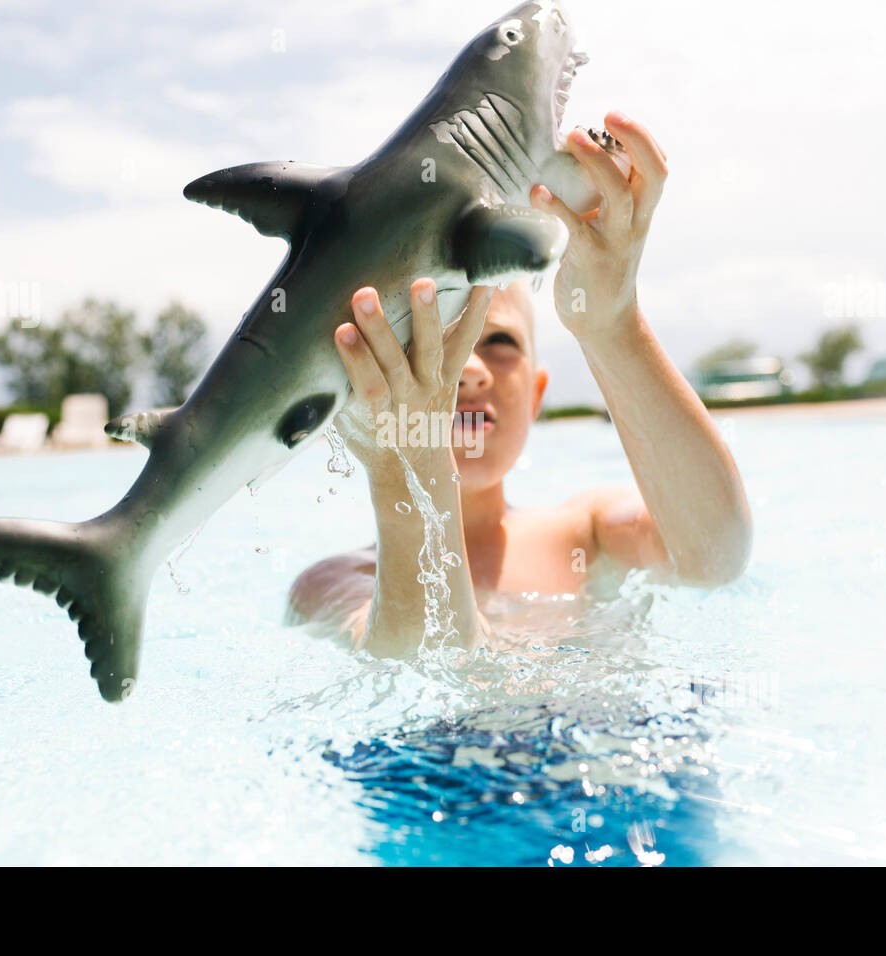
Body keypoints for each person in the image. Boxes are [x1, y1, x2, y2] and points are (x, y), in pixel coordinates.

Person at [286, 112, 752, 656]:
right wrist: (406, 467)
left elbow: (714, 558)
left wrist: (611, 323)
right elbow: (424, 659)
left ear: (535, 396)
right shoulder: (332, 584)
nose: (469, 371)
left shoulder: (588, 534)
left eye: (499, 344)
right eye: (432, 346)